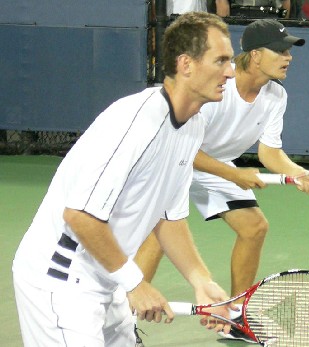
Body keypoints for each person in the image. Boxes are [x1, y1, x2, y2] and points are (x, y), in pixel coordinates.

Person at [12, 12, 236, 347]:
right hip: (59, 281)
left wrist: (200, 279)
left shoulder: (193, 126)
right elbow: (80, 216)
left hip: (106, 276)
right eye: (220, 61)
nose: (230, 72)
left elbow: (168, 217)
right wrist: (135, 283)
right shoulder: (135, 123)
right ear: (186, 65)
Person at [135, 19, 309, 343]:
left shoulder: (276, 96)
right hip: (171, 160)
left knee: (254, 227)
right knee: (159, 235)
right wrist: (235, 174)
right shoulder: (217, 84)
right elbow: (184, 147)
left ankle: (235, 316)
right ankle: (123, 320)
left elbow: (270, 152)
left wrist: (300, 175)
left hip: (212, 165)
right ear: (256, 55)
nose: (288, 57)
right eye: (280, 50)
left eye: (289, 50)